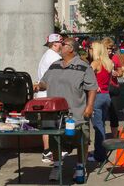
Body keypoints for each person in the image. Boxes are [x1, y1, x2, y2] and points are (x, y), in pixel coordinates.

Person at [34, 37, 98, 182]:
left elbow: (92, 88)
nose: (60, 46)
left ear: (71, 48)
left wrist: (89, 107)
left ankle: (81, 167)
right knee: (55, 141)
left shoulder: (83, 66)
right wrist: (38, 86)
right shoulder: (54, 65)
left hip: (76, 113)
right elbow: (45, 82)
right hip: (55, 114)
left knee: (82, 140)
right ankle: (57, 166)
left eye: (63, 44)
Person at [36, 33, 63, 163]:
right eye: (60, 43)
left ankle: (48, 151)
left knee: (47, 124)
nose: (62, 45)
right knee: (51, 125)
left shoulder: (46, 55)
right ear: (55, 44)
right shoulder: (54, 57)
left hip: (43, 94)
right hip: (48, 94)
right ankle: (49, 151)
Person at [88, 41, 113, 162]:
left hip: (97, 97)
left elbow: (86, 76)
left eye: (91, 49)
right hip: (106, 95)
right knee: (101, 124)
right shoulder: (108, 63)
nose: (89, 51)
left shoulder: (95, 63)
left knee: (98, 127)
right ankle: (100, 152)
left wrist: (94, 85)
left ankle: (100, 155)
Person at [102, 37, 121, 138]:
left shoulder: (115, 58)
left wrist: (117, 73)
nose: (110, 51)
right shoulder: (99, 59)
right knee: (102, 114)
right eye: (108, 48)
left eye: (111, 49)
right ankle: (102, 135)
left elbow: (120, 71)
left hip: (114, 87)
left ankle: (114, 136)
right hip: (104, 88)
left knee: (114, 114)